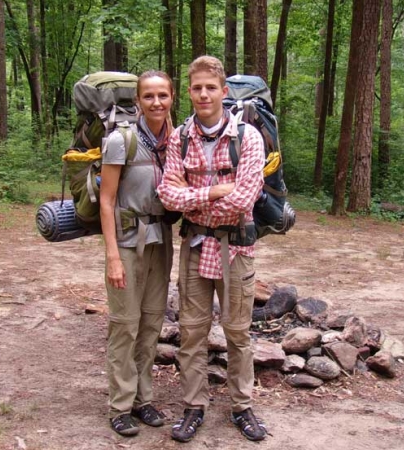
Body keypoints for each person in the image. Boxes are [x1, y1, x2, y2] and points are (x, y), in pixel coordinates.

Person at [157, 56, 268, 443]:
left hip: (236, 247)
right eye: (196, 87)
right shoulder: (179, 137)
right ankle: (194, 406)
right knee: (191, 332)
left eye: (210, 87)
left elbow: (242, 200)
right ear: (188, 92)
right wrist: (210, 192)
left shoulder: (248, 138)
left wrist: (193, 197)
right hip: (194, 243)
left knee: (238, 333)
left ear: (223, 91)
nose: (203, 94)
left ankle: (242, 406)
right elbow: (168, 196)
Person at [100, 70, 175, 437]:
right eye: (149, 96)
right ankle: (120, 405)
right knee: (125, 326)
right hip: (128, 245)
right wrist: (112, 255)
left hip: (161, 242)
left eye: (162, 95)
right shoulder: (121, 141)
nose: (156, 102)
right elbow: (107, 199)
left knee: (150, 325)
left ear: (172, 98)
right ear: (138, 101)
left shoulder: (175, 142)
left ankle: (144, 399)